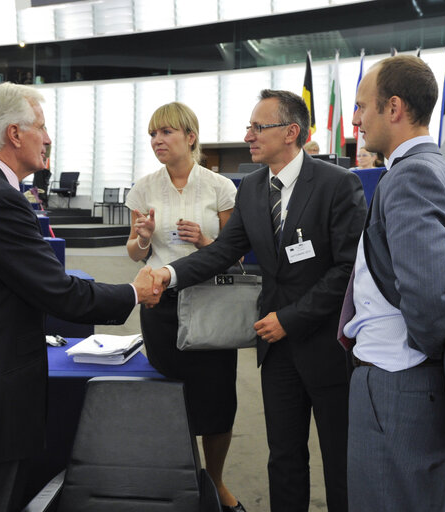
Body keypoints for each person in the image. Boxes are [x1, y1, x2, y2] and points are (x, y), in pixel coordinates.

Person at [0, 82, 161, 512]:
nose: (48, 138)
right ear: (15, 134)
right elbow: (60, 293)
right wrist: (133, 291)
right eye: (42, 127)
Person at [151, 89, 367, 512]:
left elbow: (348, 270)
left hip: (327, 346)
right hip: (276, 349)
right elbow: (221, 252)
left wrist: (290, 319)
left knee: (340, 459)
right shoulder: (250, 188)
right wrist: (169, 274)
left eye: (257, 127)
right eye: (249, 126)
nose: (248, 135)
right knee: (283, 456)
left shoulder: (338, 185)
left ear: (291, 132)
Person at [343, 54, 445, 511]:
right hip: (405, 382)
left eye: (362, 105)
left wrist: (420, 355)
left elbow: (430, 294)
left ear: (394, 108)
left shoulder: (411, 176)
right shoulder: (430, 168)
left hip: (397, 384)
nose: (356, 119)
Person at [124, 102, 244, 512]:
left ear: (190, 137)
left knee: (217, 400)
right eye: (153, 134)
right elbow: (134, 252)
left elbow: (236, 254)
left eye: (166, 132)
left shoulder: (220, 187)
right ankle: (178, 478)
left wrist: (205, 242)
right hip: (161, 305)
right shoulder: (144, 188)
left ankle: (215, 481)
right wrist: (143, 236)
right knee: (169, 396)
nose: (157, 141)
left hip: (211, 304)